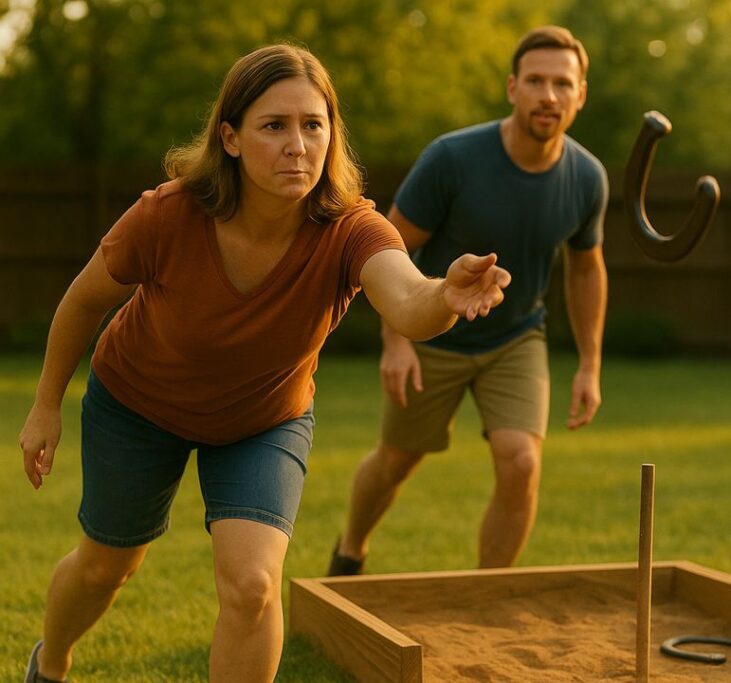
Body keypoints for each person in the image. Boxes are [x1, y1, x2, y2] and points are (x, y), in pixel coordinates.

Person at [18, 44, 510, 683]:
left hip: (262, 420)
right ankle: (50, 664)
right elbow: (83, 303)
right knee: (106, 565)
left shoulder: (350, 228)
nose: (298, 145)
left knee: (252, 585)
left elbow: (409, 301)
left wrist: (445, 293)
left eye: (313, 125)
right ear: (230, 137)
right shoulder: (167, 214)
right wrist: (46, 404)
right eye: (274, 126)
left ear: (332, 135)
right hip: (137, 404)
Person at [326, 25, 608, 575]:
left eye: (561, 83)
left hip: (516, 336)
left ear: (580, 95)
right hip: (433, 329)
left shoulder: (587, 177)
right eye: (535, 81)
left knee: (521, 461)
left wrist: (590, 364)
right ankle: (351, 550)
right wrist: (396, 341)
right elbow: (389, 246)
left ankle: (488, 594)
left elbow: (585, 267)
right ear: (512, 88)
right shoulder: (453, 158)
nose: (548, 95)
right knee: (396, 462)